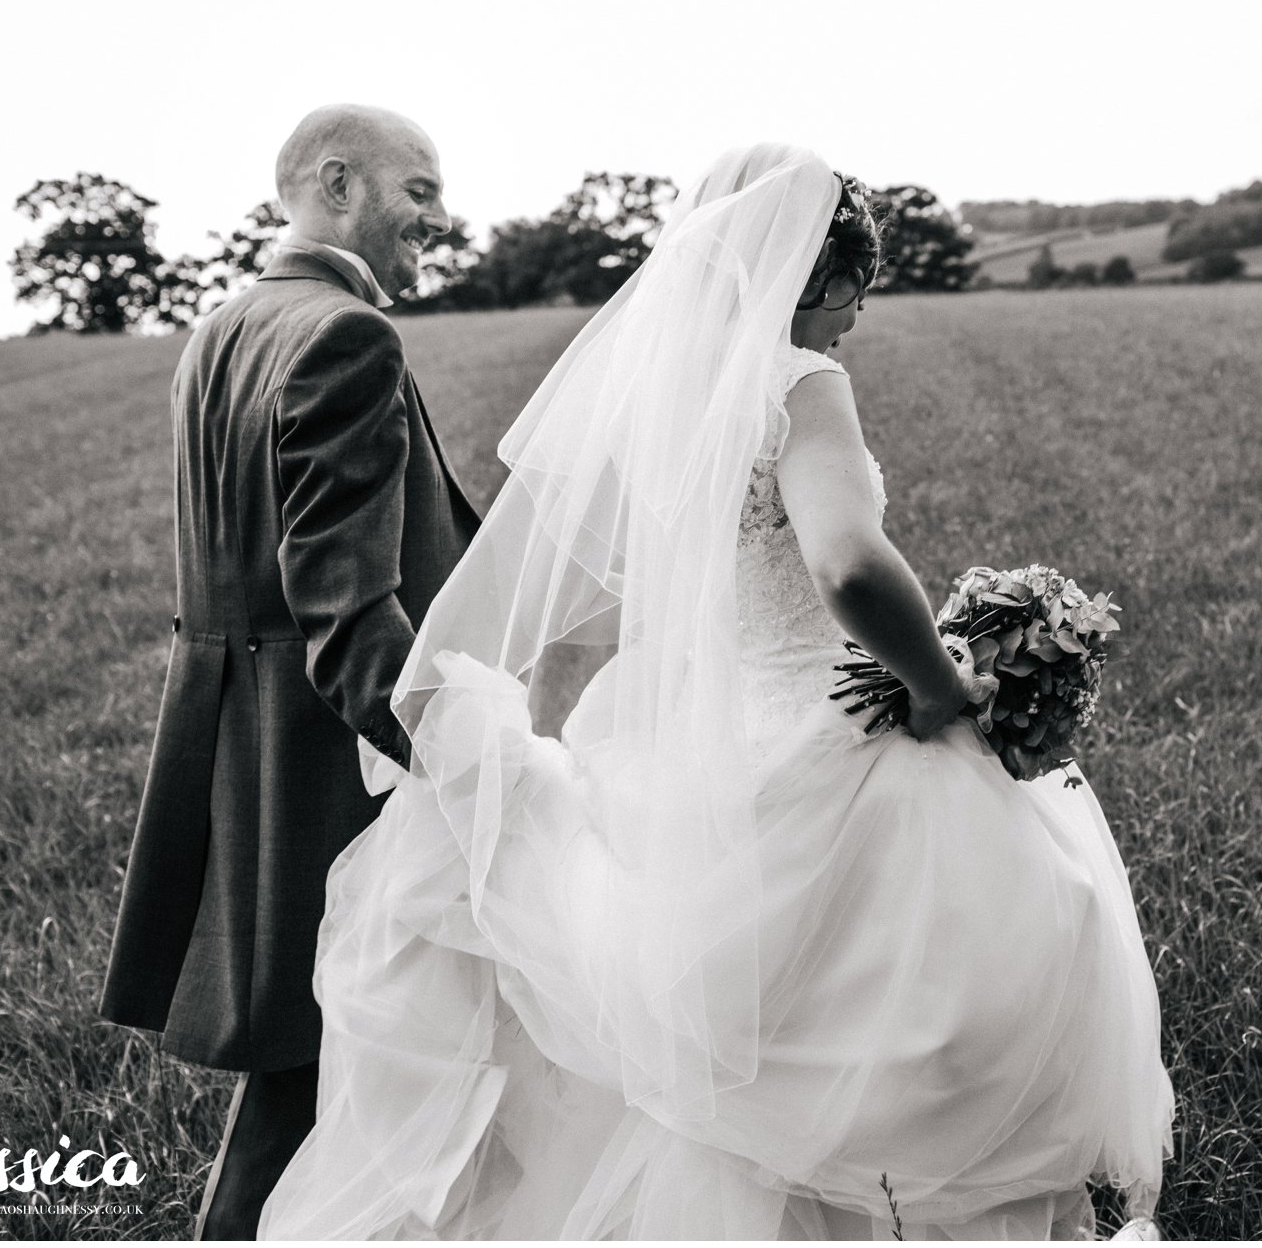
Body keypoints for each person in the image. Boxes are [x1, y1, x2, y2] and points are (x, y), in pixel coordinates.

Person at [258, 143, 1173, 1239]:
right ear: (816, 273)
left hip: (689, 733)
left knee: (711, 1022)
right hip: (820, 719)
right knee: (1011, 936)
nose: (857, 315)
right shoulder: (800, 380)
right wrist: (939, 683)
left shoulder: (663, 399)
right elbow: (847, 564)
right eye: (857, 288)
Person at [98, 104, 481, 1239]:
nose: (439, 216)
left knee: (312, 1056)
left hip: (228, 730)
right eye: (420, 189)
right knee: (327, 1052)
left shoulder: (221, 326)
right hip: (323, 757)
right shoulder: (347, 336)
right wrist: (468, 758)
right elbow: (345, 606)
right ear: (338, 184)